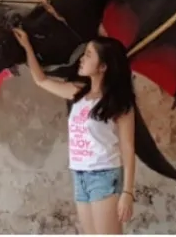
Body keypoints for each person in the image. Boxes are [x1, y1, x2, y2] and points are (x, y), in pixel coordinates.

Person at [13, 27, 136, 234]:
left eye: (88, 55)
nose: (81, 59)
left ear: (103, 66)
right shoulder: (78, 92)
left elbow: (128, 148)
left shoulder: (120, 104)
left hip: (104, 176)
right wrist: (27, 46)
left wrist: (128, 192)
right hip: (79, 174)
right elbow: (41, 80)